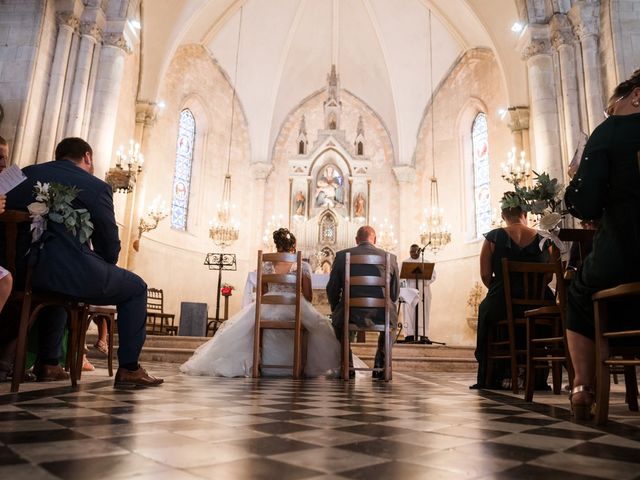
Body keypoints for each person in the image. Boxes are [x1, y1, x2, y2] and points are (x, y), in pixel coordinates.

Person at [5, 137, 162, 387]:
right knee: (136, 288)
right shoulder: (95, 186)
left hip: (20, 271)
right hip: (70, 272)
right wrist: (104, 265)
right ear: (87, 157)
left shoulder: (25, 173)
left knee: (55, 291)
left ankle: (49, 363)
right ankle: (130, 368)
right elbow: (109, 244)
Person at [564, 69, 640, 420]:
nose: (610, 114)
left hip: (626, 251)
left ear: (636, 96)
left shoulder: (610, 132)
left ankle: (583, 386)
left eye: (614, 107)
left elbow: (585, 204)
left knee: (579, 290)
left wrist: (576, 181)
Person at [181, 228, 340, 377]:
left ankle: (262, 361)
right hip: (295, 307)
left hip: (268, 308)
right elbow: (308, 295)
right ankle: (300, 364)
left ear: (277, 245)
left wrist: (274, 299)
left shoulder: (266, 264)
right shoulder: (303, 265)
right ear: (293, 245)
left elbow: (262, 294)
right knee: (320, 326)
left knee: (247, 323)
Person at [471, 194, 551, 390]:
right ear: (524, 213)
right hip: (539, 301)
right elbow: (549, 276)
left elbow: (485, 274)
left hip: (502, 300)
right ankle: (537, 375)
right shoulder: (544, 238)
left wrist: (505, 291)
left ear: (503, 215)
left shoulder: (493, 237)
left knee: (487, 314)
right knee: (548, 315)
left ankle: (492, 376)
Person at [326, 225, 399, 379]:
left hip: (350, 313)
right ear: (375, 240)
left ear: (356, 240)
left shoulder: (341, 256)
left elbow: (332, 289)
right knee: (391, 324)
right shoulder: (390, 258)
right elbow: (394, 294)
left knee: (337, 324)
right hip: (381, 314)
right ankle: (381, 364)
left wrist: (335, 309)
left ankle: (348, 366)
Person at [401, 244, 436, 343]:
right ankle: (409, 335)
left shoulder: (426, 263)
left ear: (419, 251)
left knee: (423, 313)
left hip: (423, 293)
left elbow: (433, 276)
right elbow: (401, 277)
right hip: (409, 294)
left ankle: (423, 335)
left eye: (415, 251)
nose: (412, 253)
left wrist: (425, 282)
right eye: (411, 251)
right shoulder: (405, 263)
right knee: (409, 314)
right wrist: (404, 288)